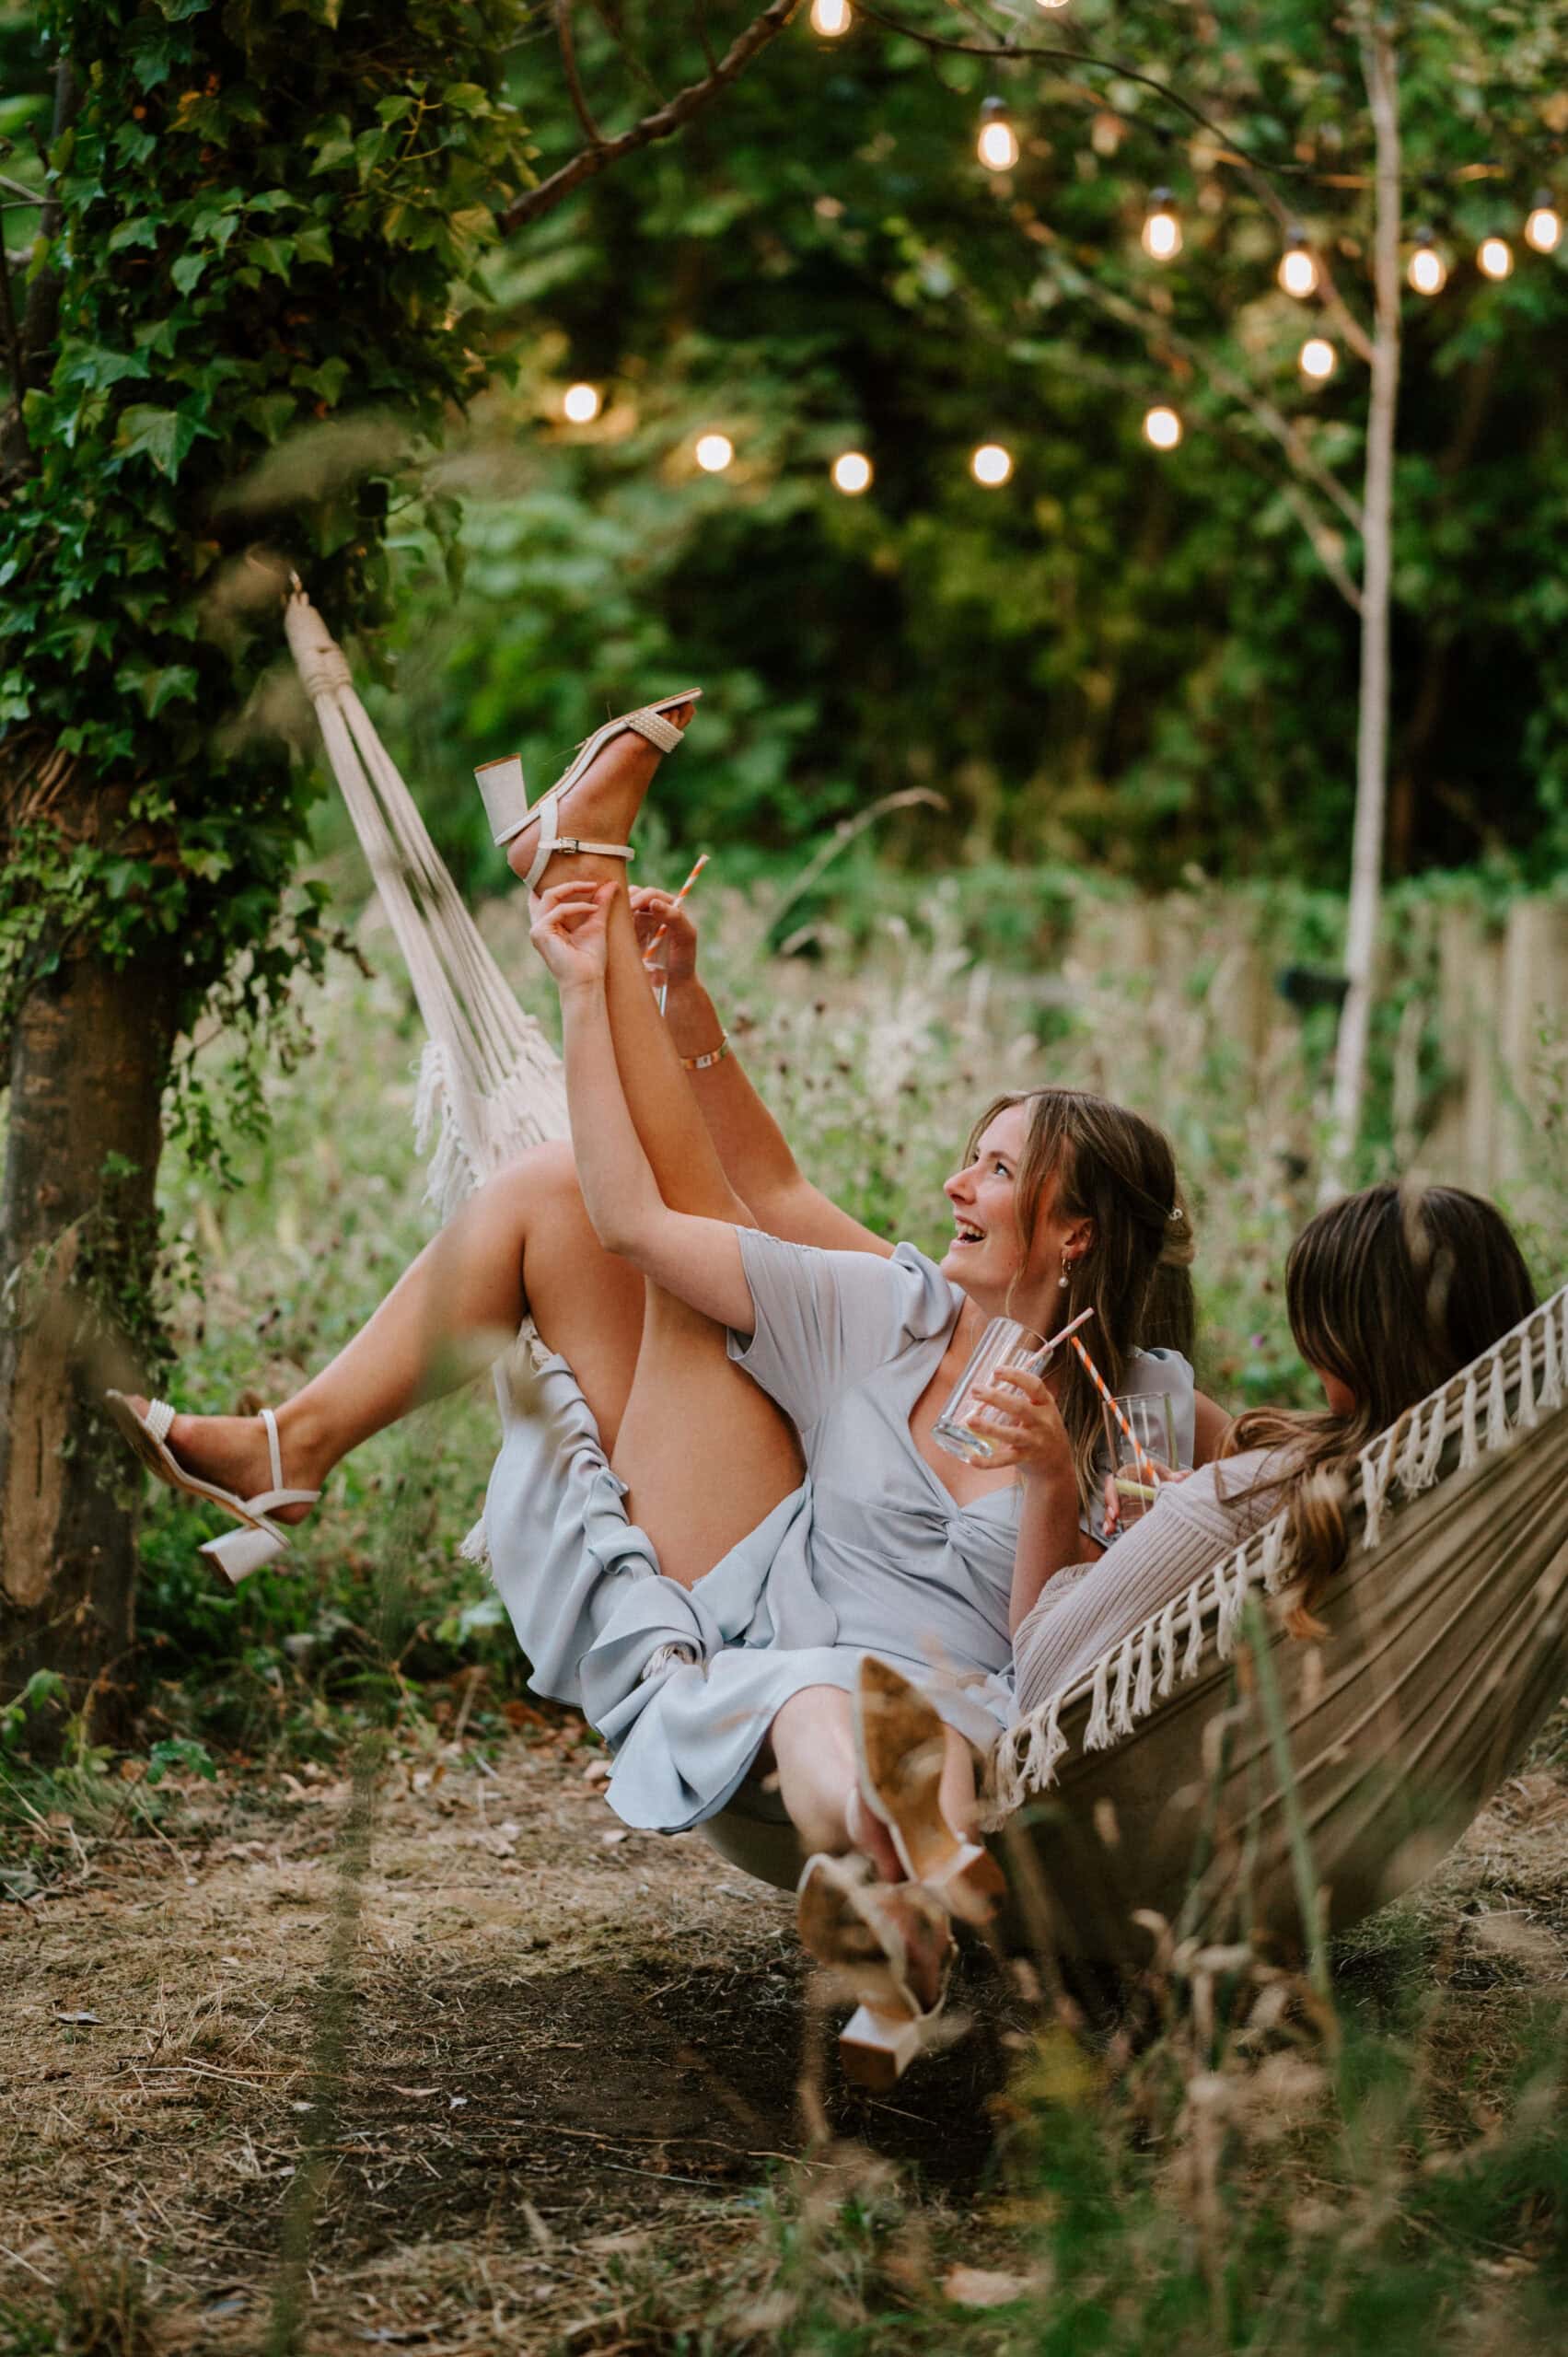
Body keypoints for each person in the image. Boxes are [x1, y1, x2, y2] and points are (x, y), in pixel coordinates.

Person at [109, 705, 1221, 1942]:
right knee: (575, 1206)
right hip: (757, 1593)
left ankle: (293, 1450)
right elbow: (756, 1199)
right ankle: (585, 880)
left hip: (938, 1700)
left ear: (1075, 1234)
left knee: (596, 1215)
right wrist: (661, 998)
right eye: (970, 1158)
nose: (955, 1185)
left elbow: (1229, 1546)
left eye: (996, 1171)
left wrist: (1104, 1491)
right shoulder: (897, 1306)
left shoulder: (1155, 1408)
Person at [1000, 1180, 1538, 1724]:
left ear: (1345, 1339)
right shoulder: (1512, 1482)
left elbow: (1040, 1679)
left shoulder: (1246, 1496)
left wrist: (1061, 1485)